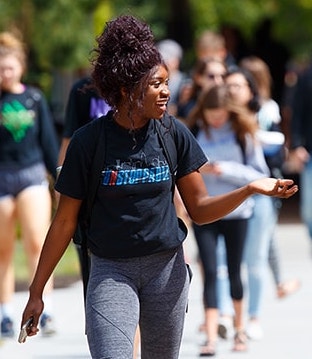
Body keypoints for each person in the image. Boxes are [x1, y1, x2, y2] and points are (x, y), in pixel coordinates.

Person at [20, 15, 297, 359]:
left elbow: (200, 208)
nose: (167, 91)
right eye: (156, 84)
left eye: (167, 82)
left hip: (166, 273)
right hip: (110, 271)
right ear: (125, 89)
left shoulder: (172, 133)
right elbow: (63, 222)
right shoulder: (88, 143)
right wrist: (36, 291)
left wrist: (250, 189)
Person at [188, 84, 270, 355]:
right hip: (206, 211)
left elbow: (260, 175)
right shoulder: (196, 131)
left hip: (238, 212)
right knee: (210, 272)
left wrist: (225, 170)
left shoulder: (243, 134)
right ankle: (210, 335)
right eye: (211, 115)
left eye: (220, 115)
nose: (216, 120)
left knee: (235, 271)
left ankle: (239, 329)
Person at [0, 31, 59, 337]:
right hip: (2, 177)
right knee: (3, 249)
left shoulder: (34, 98)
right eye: (0, 68)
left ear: (20, 67)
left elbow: (48, 143)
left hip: (32, 173)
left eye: (9, 67)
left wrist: (59, 179)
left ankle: (43, 308)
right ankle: (5, 312)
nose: (5, 73)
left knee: (38, 242)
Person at [288, 62, 312, 249]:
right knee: (309, 210)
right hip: (310, 151)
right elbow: (297, 114)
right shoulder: (306, 77)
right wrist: (296, 145)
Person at [156, 39, 186, 116]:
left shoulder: (185, 82)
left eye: (168, 59)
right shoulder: (154, 81)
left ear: (177, 60)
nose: (164, 63)